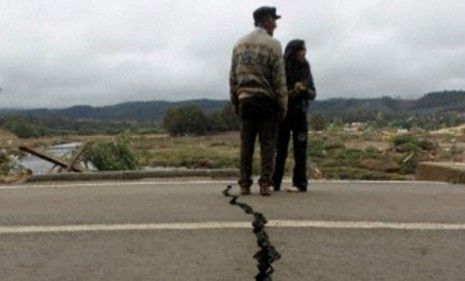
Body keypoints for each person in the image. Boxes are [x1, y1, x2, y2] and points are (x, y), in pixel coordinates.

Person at [229, 6, 288, 196]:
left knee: (246, 144)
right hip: (265, 101)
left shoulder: (239, 44)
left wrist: (235, 103)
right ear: (266, 21)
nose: (276, 25)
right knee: (267, 144)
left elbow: (233, 77)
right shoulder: (273, 45)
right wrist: (282, 105)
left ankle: (244, 184)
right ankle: (265, 183)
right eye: (274, 20)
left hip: (245, 100)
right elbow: (279, 79)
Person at [272, 39, 316, 193]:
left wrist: (304, 90)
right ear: (294, 52)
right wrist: (291, 92)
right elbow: (276, 91)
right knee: (280, 149)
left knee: (300, 150)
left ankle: (300, 183)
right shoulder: (281, 68)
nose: (304, 53)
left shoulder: (306, 67)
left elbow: (313, 93)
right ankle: (274, 182)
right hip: (283, 113)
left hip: (300, 113)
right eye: (301, 50)